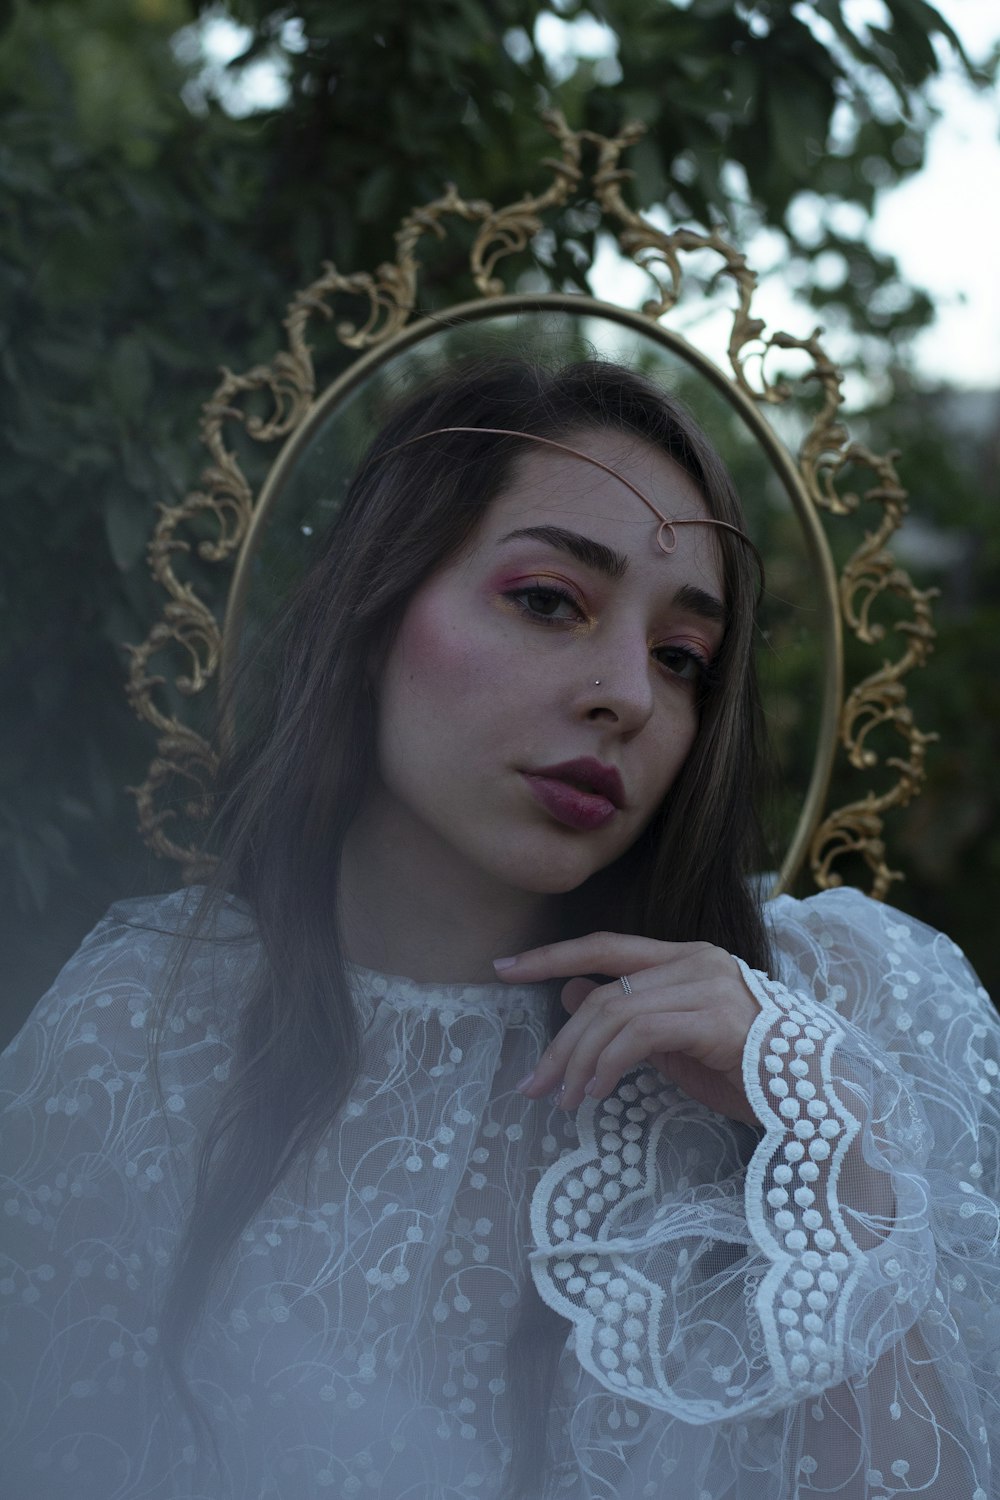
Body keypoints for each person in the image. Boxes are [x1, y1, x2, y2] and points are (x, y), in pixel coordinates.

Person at [2, 357, 998, 1500]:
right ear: (376, 613)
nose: (627, 692)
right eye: (546, 600)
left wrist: (834, 1144)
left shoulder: (834, 1004)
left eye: (683, 660)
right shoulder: (139, 1032)